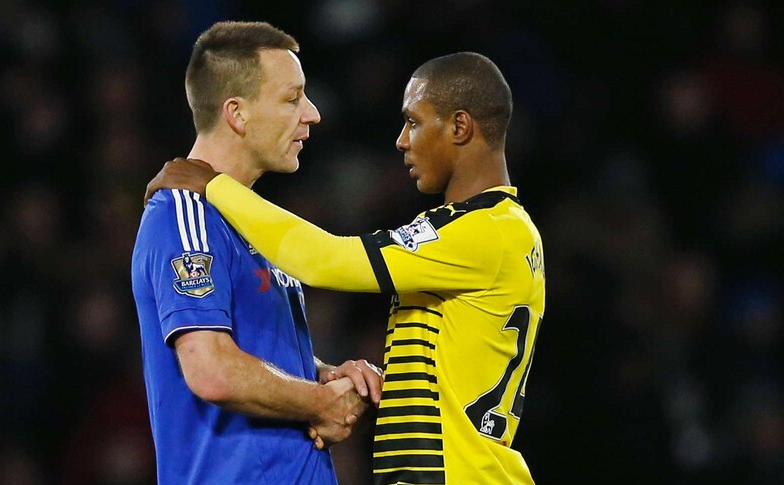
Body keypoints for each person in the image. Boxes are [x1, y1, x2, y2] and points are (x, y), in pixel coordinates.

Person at [146, 52, 546, 484]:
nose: (401, 140)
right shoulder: (485, 228)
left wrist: (212, 185)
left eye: (413, 122)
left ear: (460, 127)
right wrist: (334, 379)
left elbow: (324, 259)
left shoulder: (485, 231)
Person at [131, 21, 383, 484]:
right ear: (237, 113)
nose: (312, 114)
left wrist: (322, 375)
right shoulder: (185, 216)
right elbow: (211, 369)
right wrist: (320, 402)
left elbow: (253, 354)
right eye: (292, 99)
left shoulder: (250, 220)